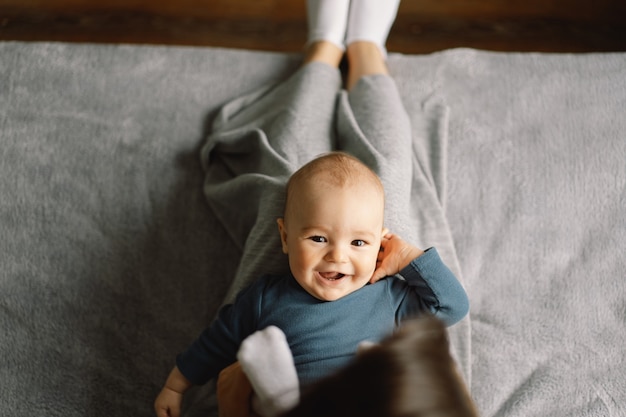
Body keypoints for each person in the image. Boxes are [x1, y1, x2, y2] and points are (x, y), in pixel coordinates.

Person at [155, 0, 470, 416]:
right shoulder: (385, 294)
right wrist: (406, 257)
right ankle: (364, 49)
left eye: (358, 242)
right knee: (389, 165)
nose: (338, 256)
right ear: (287, 239)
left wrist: (180, 389)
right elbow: (451, 307)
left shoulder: (277, 299)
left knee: (283, 169)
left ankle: (322, 50)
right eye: (319, 239)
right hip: (372, 256)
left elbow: (220, 347)